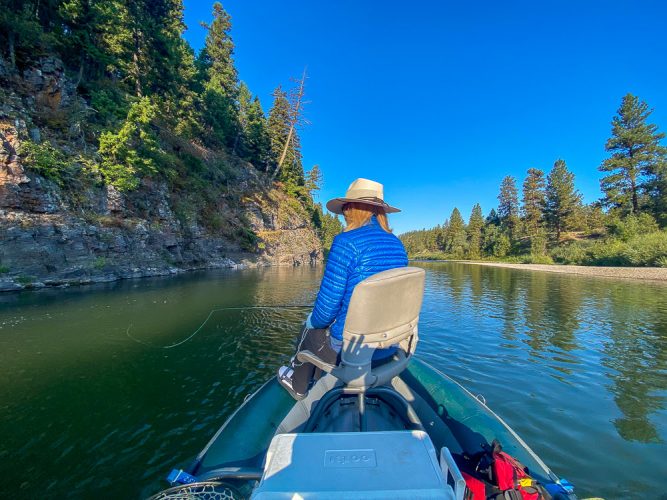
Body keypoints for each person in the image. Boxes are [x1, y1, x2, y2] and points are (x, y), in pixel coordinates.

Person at [277, 178, 408, 400]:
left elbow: (325, 311)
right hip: (389, 347)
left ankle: (298, 385)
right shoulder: (397, 244)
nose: (344, 213)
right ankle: (314, 373)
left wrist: (313, 321)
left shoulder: (345, 242)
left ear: (354, 209)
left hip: (352, 350)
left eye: (346, 207)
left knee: (310, 328)